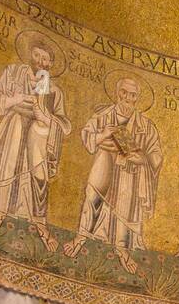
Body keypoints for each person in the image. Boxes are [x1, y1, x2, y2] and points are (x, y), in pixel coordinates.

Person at [63, 77, 162, 274]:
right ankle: (81, 237)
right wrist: (103, 135)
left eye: (132, 95)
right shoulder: (103, 115)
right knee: (93, 198)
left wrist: (141, 158)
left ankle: (122, 249)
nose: (127, 98)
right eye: (124, 92)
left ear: (137, 98)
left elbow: (156, 154)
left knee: (125, 209)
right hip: (105, 163)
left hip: (129, 171)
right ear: (118, 92)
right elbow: (87, 136)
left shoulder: (146, 124)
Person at [0, 38, 71, 251]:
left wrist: (47, 118)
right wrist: (14, 99)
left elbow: (64, 124)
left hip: (39, 137)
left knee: (38, 177)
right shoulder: (13, 72)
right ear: (30, 54)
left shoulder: (54, 91)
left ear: (50, 64)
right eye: (38, 55)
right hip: (13, 126)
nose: (41, 61)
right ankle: (0, 213)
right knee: (8, 166)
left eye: (46, 59)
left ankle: (40, 225)